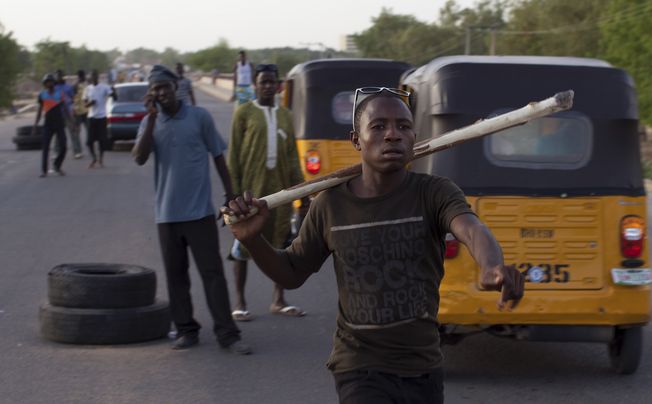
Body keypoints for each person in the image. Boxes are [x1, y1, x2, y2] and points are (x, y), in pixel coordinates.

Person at [223, 88, 525, 403]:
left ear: (414, 137)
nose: (392, 134)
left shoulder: (434, 192)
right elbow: (292, 272)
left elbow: (471, 228)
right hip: (360, 368)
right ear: (356, 140)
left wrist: (491, 266)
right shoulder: (330, 204)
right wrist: (252, 240)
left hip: (423, 368)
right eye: (378, 126)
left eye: (403, 126)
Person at [131, 65, 251, 354]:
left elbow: (219, 157)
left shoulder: (199, 117)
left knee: (212, 274)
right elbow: (139, 158)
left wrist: (230, 194)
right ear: (151, 93)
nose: (161, 92)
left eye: (165, 87)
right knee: (176, 275)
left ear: (176, 87)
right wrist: (149, 119)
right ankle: (186, 330)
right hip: (166, 214)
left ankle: (228, 334)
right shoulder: (151, 122)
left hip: (199, 213)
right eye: (156, 88)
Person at [227, 63, 307, 321]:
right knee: (242, 247)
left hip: (280, 195)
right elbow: (234, 156)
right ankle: (239, 302)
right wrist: (233, 195)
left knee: (281, 245)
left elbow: (293, 157)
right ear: (255, 85)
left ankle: (278, 300)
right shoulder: (244, 113)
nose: (268, 86)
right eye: (263, 82)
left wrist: (302, 192)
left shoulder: (285, 114)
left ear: (278, 85)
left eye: (272, 82)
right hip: (250, 193)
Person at [32, 73, 68, 178]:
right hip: (48, 124)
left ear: (54, 83)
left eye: (51, 81)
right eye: (47, 82)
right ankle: (44, 171)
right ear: (45, 84)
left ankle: (57, 165)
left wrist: (72, 122)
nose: (49, 83)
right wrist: (35, 125)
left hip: (59, 123)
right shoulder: (42, 95)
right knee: (45, 148)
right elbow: (39, 111)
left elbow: (65, 108)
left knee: (64, 146)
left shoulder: (59, 94)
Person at [83, 69, 115, 168]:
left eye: (95, 76)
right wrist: (90, 103)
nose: (93, 78)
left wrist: (114, 91)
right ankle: (94, 158)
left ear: (98, 77)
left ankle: (101, 159)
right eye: (92, 76)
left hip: (102, 117)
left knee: (102, 140)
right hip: (91, 117)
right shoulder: (87, 89)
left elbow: (112, 95)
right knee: (89, 141)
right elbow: (85, 104)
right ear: (90, 78)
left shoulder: (104, 87)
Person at [54, 69, 80, 159]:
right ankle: (56, 151)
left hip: (68, 111)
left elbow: (73, 99)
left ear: (62, 76)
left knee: (73, 131)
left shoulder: (68, 87)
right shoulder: (54, 88)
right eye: (57, 76)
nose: (58, 77)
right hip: (58, 113)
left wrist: (74, 110)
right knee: (58, 133)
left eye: (60, 75)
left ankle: (77, 151)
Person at [70, 70, 89, 159]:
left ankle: (87, 148)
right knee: (76, 132)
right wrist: (72, 110)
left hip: (86, 111)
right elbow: (72, 99)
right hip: (78, 112)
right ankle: (77, 151)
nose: (82, 77)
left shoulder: (87, 85)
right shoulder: (75, 86)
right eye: (81, 76)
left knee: (89, 131)